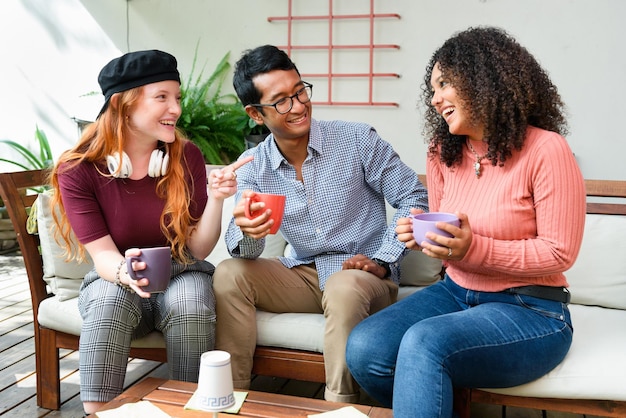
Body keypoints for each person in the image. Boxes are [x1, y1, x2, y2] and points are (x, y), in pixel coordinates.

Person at [345, 26, 586, 417]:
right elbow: (449, 245)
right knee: (365, 347)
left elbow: (559, 253)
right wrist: (422, 234)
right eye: (432, 90)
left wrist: (473, 247)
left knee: (425, 342)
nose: (435, 98)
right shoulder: (443, 152)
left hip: (531, 309)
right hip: (455, 294)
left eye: (444, 84)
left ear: (483, 79)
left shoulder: (547, 150)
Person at [212, 44, 428, 403]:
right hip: (303, 274)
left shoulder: (358, 140)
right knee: (229, 273)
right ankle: (230, 399)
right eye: (281, 101)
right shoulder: (253, 164)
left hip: (363, 275)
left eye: (299, 91)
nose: (297, 106)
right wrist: (249, 232)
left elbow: (413, 198)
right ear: (255, 113)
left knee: (343, 287)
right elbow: (244, 248)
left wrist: (383, 260)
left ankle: (339, 408)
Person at [49, 49, 251, 414]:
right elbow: (104, 257)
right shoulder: (78, 170)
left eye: (177, 97)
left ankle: (189, 409)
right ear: (124, 105)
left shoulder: (184, 157)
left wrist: (218, 199)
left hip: (182, 273)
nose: (175, 108)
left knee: (190, 302)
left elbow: (198, 250)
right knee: (109, 300)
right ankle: (100, 412)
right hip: (117, 279)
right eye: (162, 97)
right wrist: (128, 274)